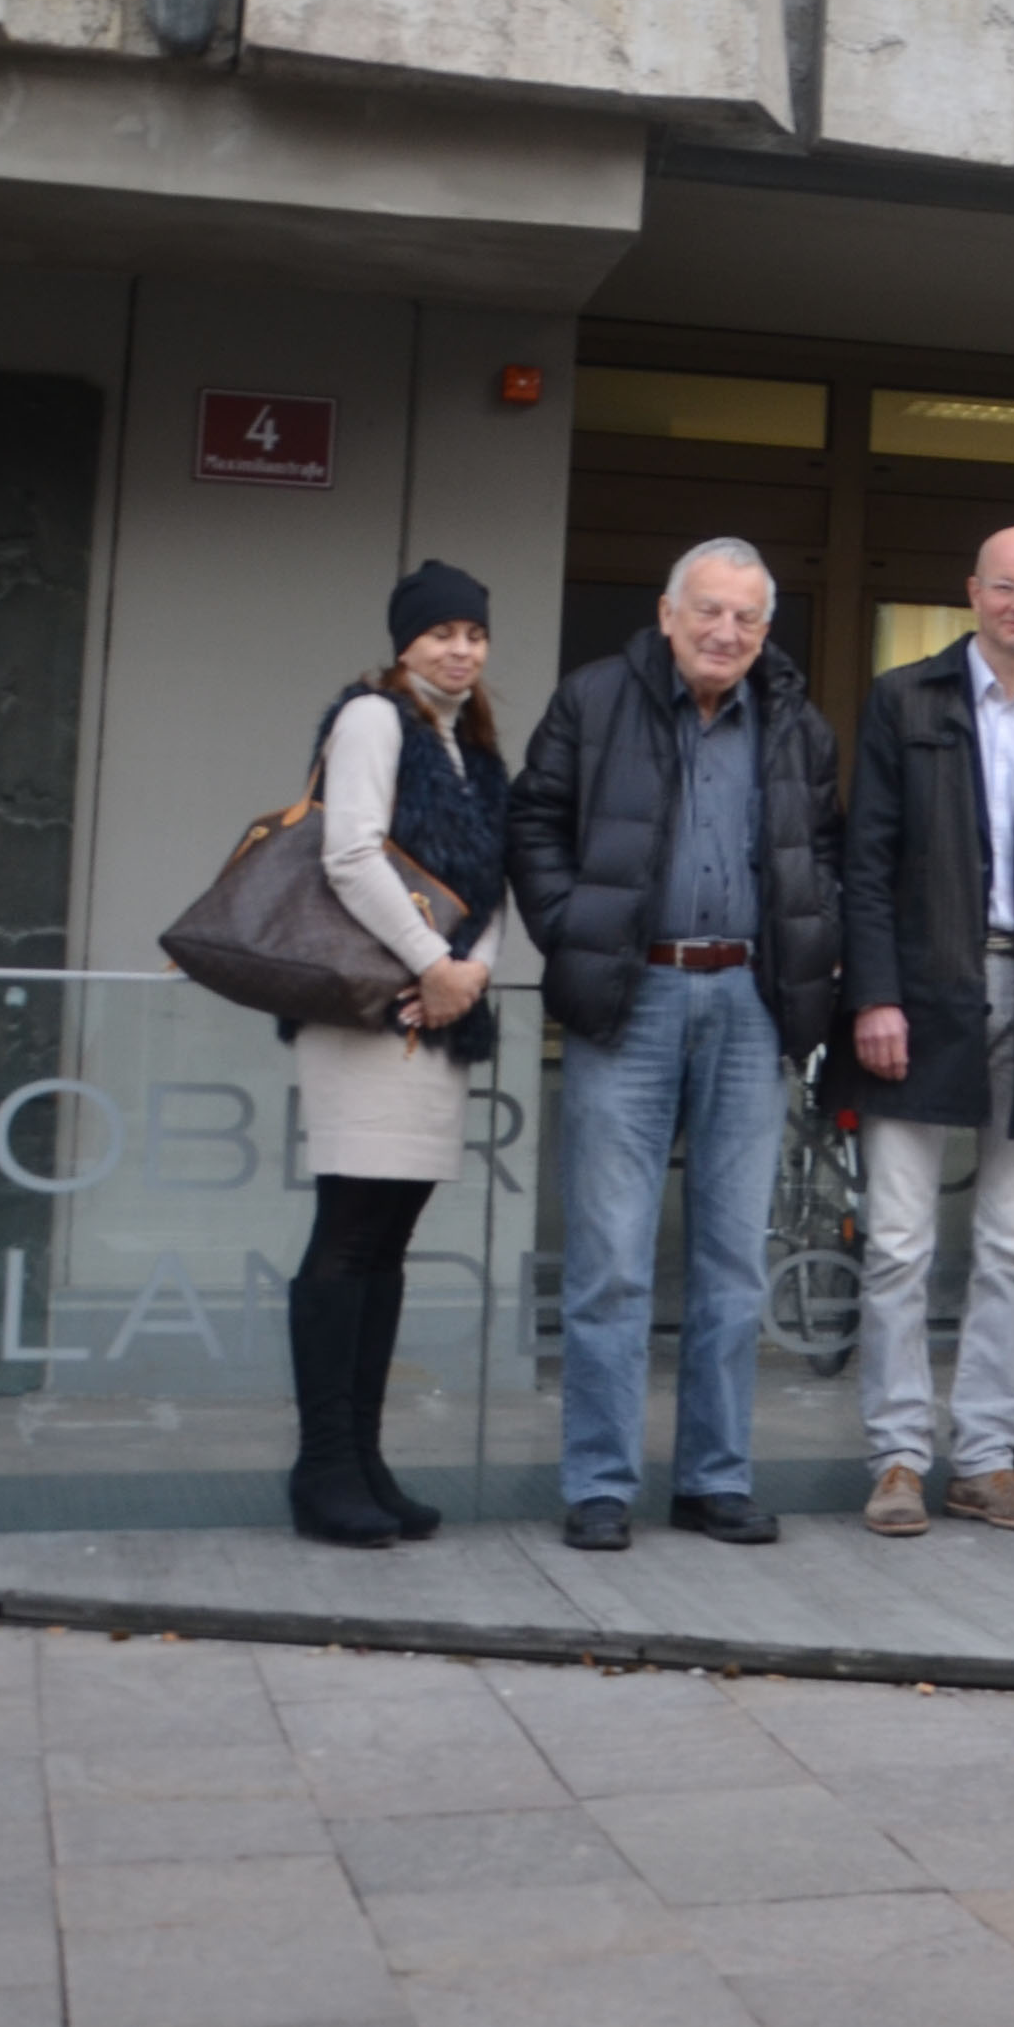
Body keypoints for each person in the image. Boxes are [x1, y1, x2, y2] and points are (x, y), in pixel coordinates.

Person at [510, 537, 841, 1553]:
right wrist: (574, 928)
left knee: (733, 1261)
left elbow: (821, 851)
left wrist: (807, 952)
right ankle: (600, 1484)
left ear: (766, 630)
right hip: (631, 993)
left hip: (748, 997)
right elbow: (533, 822)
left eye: (746, 616)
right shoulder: (594, 698)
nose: (725, 631)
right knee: (610, 1259)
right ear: (666, 613)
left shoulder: (796, 721)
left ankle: (713, 1478)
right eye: (708, 610)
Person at [839, 528, 1014, 1539]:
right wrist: (873, 994)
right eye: (1004, 586)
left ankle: (986, 1458)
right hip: (921, 991)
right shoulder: (903, 701)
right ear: (972, 592)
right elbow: (867, 861)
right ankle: (899, 1456)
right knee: (899, 1243)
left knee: (1009, 1244)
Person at [281, 561, 509, 1549]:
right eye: (442, 632)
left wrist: (473, 971)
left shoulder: (469, 744)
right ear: (404, 640)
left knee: (384, 1243)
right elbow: (349, 854)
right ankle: (322, 1466)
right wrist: (433, 962)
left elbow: (491, 884)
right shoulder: (373, 718)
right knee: (347, 1235)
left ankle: (363, 1461)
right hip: (372, 1011)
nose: (461, 649)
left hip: (434, 1013)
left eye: (475, 633)